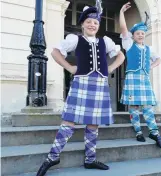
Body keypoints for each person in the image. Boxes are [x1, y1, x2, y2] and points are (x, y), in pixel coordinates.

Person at [36, 1, 125, 175]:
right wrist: (69, 67)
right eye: (89, 21)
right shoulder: (75, 39)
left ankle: (90, 159)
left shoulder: (105, 41)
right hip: (81, 83)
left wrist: (111, 69)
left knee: (94, 123)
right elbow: (55, 52)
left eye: (96, 22)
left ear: (98, 25)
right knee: (69, 121)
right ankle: (53, 156)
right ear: (83, 23)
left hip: (99, 84)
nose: (92, 24)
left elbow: (120, 56)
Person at [119, 2, 161, 149]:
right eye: (138, 33)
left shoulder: (149, 48)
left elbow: (159, 59)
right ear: (134, 35)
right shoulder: (128, 44)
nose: (140, 35)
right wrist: (121, 12)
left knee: (148, 106)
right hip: (132, 78)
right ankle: (138, 131)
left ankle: (154, 132)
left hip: (144, 79)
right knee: (133, 107)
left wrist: (151, 66)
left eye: (143, 33)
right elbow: (124, 29)